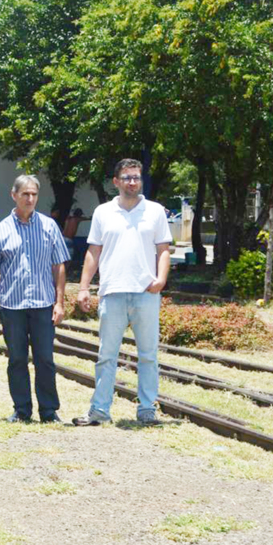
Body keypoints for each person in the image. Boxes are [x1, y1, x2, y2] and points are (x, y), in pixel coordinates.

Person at [74, 158, 171, 426]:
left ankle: (147, 409)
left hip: (146, 292)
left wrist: (161, 279)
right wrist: (84, 287)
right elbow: (94, 251)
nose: (132, 182)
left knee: (149, 355)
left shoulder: (155, 211)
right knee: (107, 355)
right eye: (127, 178)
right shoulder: (103, 212)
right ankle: (100, 411)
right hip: (113, 291)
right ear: (116, 181)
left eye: (136, 177)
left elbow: (163, 249)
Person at [0, 175, 69, 423]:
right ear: (14, 195)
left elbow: (59, 266)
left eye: (34, 195)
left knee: (45, 359)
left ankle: (49, 411)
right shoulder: (0, 230)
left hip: (43, 305)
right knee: (17, 359)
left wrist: (59, 302)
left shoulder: (49, 226)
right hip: (12, 306)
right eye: (25, 194)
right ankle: (21, 410)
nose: (30, 199)